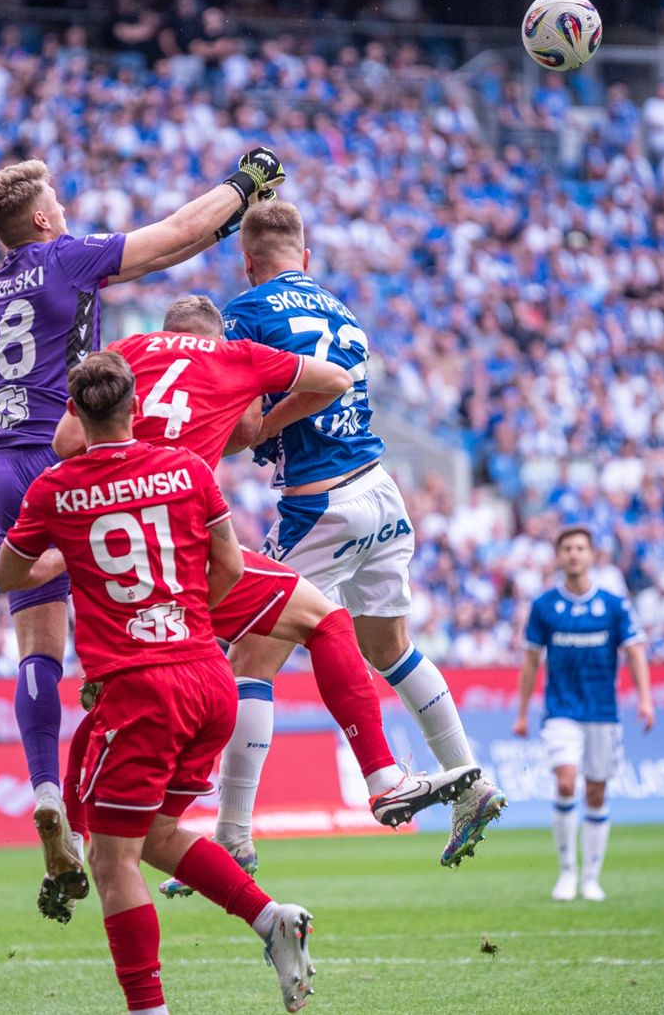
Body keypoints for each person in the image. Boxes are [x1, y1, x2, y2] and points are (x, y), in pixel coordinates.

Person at [52, 296, 482, 905]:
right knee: (327, 622)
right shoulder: (234, 356)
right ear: (212, 332)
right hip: (189, 548)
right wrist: (248, 425)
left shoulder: (124, 352)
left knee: (121, 691)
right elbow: (335, 380)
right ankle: (380, 778)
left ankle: (76, 826)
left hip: (116, 555)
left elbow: (69, 441)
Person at [0, 149, 287, 901]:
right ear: (45, 219)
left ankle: (48, 791)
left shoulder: (4, 282)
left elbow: (176, 245)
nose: (68, 211)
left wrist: (228, 220)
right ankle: (137, 782)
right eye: (60, 201)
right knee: (137, 599)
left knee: (36, 643)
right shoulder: (64, 257)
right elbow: (171, 232)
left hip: (5, 467)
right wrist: (245, 185)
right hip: (68, 454)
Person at [0, 353, 316, 1013]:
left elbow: (8, 575)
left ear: (76, 416)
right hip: (205, 675)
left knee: (114, 863)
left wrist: (66, 553)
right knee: (160, 833)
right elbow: (228, 563)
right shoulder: (188, 468)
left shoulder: (54, 490)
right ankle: (270, 921)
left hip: (139, 689)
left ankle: (149, 1008)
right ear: (135, 406)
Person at [220, 201, 507, 868]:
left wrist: (251, 433)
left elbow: (246, 420)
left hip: (319, 504)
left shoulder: (245, 313)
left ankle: (233, 834)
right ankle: (470, 779)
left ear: (247, 262)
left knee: (250, 661)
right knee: (389, 646)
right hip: (381, 491)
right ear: (306, 257)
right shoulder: (343, 312)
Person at [513, 526, 654, 902]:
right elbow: (530, 662)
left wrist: (645, 699)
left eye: (580, 548)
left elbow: (636, 651)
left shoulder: (613, 604)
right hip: (561, 710)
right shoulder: (544, 607)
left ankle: (591, 877)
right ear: (558, 557)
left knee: (595, 792)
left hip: (602, 712)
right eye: (567, 549)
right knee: (565, 782)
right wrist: (523, 712)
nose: (574, 554)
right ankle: (566, 873)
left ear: (592, 556)